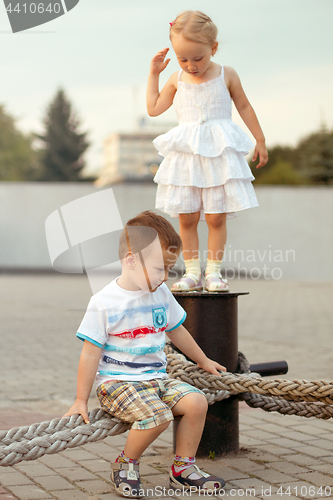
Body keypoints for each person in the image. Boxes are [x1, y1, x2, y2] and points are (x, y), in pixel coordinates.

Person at [63, 211, 227, 498]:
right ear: (130, 260)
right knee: (158, 416)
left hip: (156, 380)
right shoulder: (104, 302)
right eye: (158, 268)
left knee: (197, 403)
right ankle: (126, 463)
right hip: (117, 384)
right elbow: (90, 354)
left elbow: (178, 331)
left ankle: (183, 467)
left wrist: (202, 360)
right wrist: (80, 399)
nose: (164, 277)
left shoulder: (160, 293)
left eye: (168, 269)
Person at [147, 10, 268, 293]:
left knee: (216, 216)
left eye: (198, 58)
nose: (190, 65)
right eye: (183, 59)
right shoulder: (177, 79)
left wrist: (259, 139)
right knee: (187, 216)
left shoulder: (227, 74)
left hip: (218, 154)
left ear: (213, 48)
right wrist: (154, 74)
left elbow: (245, 107)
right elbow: (153, 108)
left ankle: (213, 273)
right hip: (187, 157)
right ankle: (191, 273)